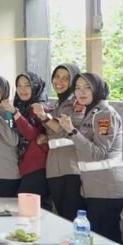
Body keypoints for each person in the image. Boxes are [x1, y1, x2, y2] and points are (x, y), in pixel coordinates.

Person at [58, 73, 123, 244]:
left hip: (108, 188)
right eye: (77, 88)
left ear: (97, 89)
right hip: (97, 188)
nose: (81, 92)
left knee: (104, 241)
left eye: (87, 87)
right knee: (104, 240)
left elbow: (99, 153)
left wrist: (72, 130)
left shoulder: (104, 115)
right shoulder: (91, 112)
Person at [34, 63, 84, 221]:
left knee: (73, 217)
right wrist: (46, 137)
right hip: (53, 168)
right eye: (57, 76)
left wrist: (44, 117)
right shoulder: (57, 104)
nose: (59, 81)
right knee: (62, 217)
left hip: (72, 168)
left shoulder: (78, 103)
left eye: (66, 78)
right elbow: (56, 132)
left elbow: (66, 130)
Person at [6, 72, 51, 209]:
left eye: (27, 85)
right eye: (19, 86)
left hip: (37, 168)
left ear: (35, 87)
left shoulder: (39, 108)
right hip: (25, 168)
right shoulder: (22, 106)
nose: (22, 89)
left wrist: (15, 113)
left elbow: (30, 134)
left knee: (26, 210)